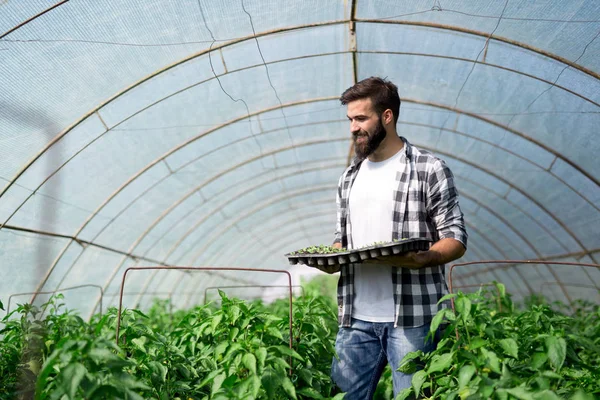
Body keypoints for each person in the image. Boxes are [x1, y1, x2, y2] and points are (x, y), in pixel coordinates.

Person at [324, 77, 468, 399]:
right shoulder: (349, 178)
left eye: (361, 118)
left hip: (413, 319)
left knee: (415, 396)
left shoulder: (428, 169)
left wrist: (425, 258)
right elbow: (341, 238)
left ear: (387, 117)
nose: (353, 128)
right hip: (355, 319)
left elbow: (455, 236)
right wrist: (332, 256)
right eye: (350, 120)